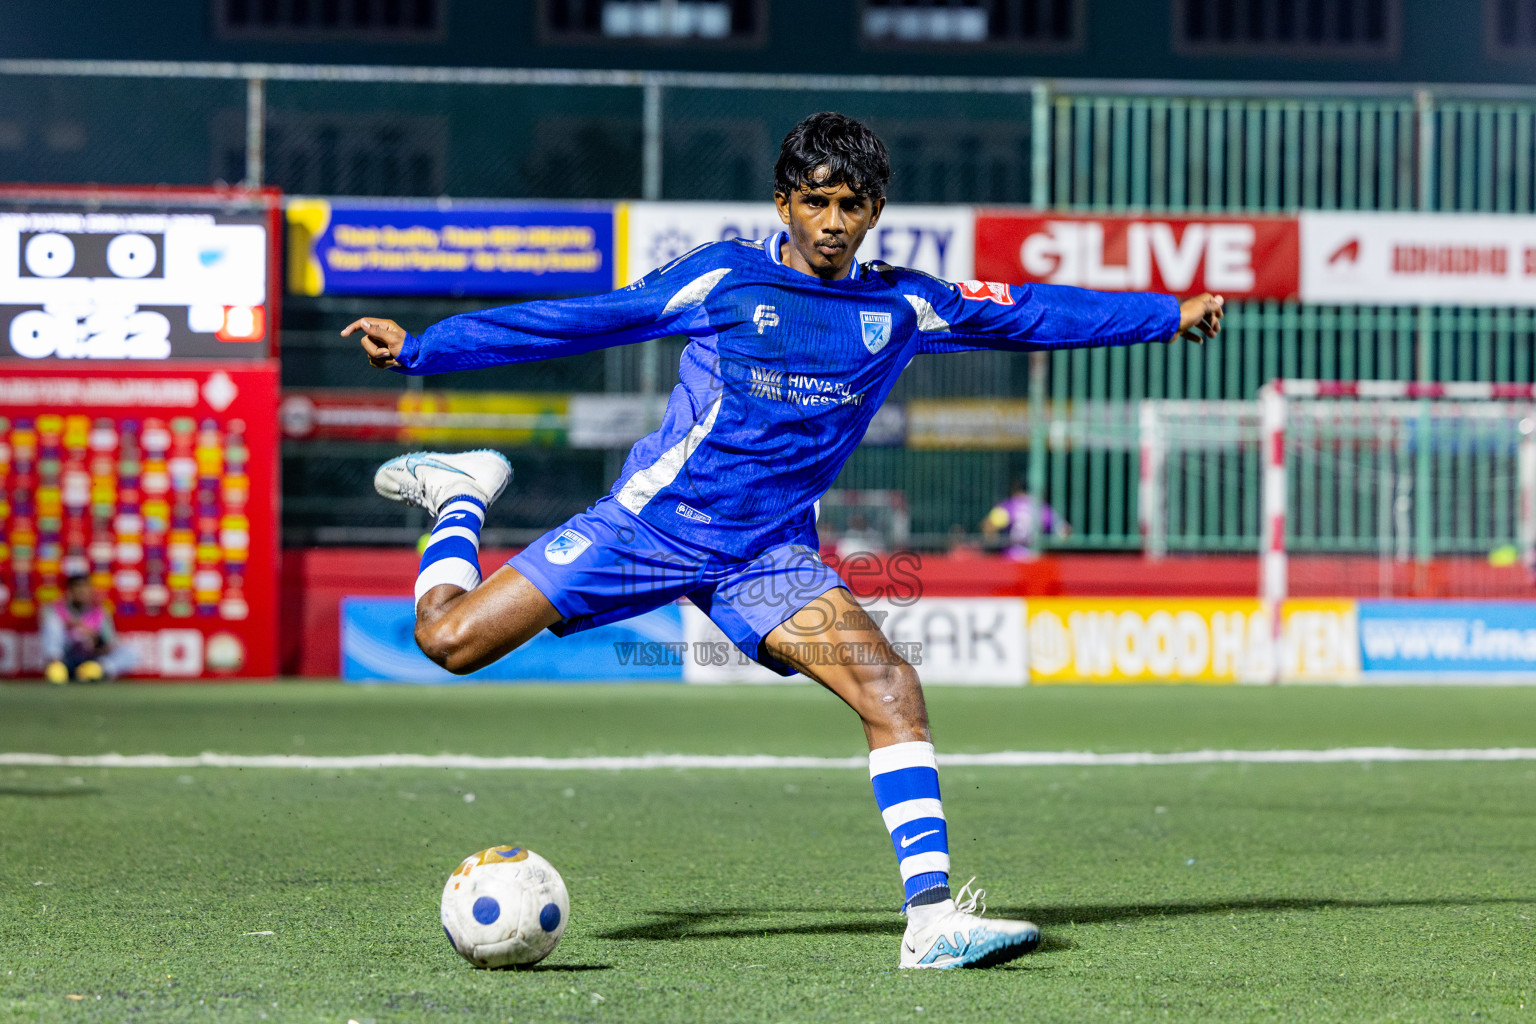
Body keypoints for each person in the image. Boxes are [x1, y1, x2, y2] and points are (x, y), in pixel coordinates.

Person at [343, 112, 1223, 969]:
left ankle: (930, 920)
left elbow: (1030, 312)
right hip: (649, 526)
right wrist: (426, 348)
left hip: (766, 554)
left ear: (874, 210)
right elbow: (587, 318)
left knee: (890, 686)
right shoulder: (724, 278)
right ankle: (461, 496)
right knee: (448, 641)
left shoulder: (903, 304)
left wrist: (1165, 315)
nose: (832, 223)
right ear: (782, 203)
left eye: (850, 205)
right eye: (815, 201)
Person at [40, 574, 136, 684]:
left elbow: (109, 643)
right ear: (70, 591)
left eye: (85, 588)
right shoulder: (56, 609)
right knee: (52, 623)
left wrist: (94, 637)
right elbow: (46, 621)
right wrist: (72, 624)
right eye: (77, 587)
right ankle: (55, 667)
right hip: (65, 658)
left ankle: (96, 671)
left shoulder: (100, 612)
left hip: (90, 658)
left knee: (132, 652)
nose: (81, 591)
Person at [982, 482, 1069, 560]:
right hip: (1035, 558)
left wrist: (992, 545)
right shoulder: (1041, 507)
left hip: (1011, 557)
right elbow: (1064, 530)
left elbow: (989, 525)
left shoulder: (1010, 505)